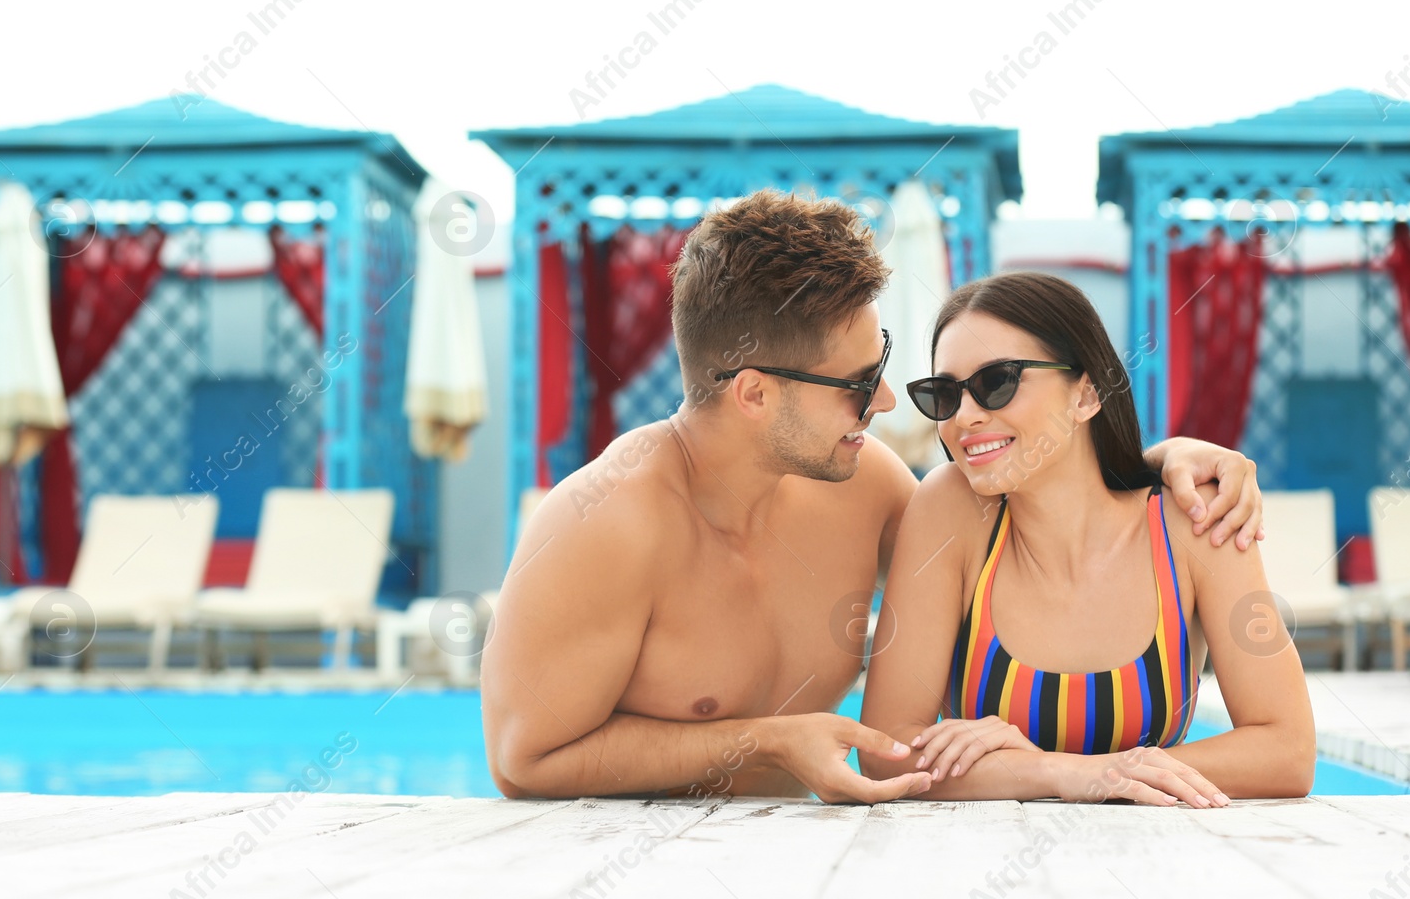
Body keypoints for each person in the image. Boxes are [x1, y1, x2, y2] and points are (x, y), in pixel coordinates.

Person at [482, 190, 1267, 804]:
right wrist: (766, 740)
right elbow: (524, 760)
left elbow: (1024, 494)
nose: (887, 402)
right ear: (755, 393)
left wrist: (1161, 457)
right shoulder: (603, 526)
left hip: (812, 878)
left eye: (883, 363)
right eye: (859, 384)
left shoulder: (869, 488)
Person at [859, 271, 1314, 804]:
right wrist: (1064, 775)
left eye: (997, 382)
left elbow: (1287, 752)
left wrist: (1085, 771)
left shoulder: (1195, 521)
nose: (965, 416)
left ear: (1088, 393)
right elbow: (886, 752)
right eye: (942, 394)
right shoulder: (952, 512)